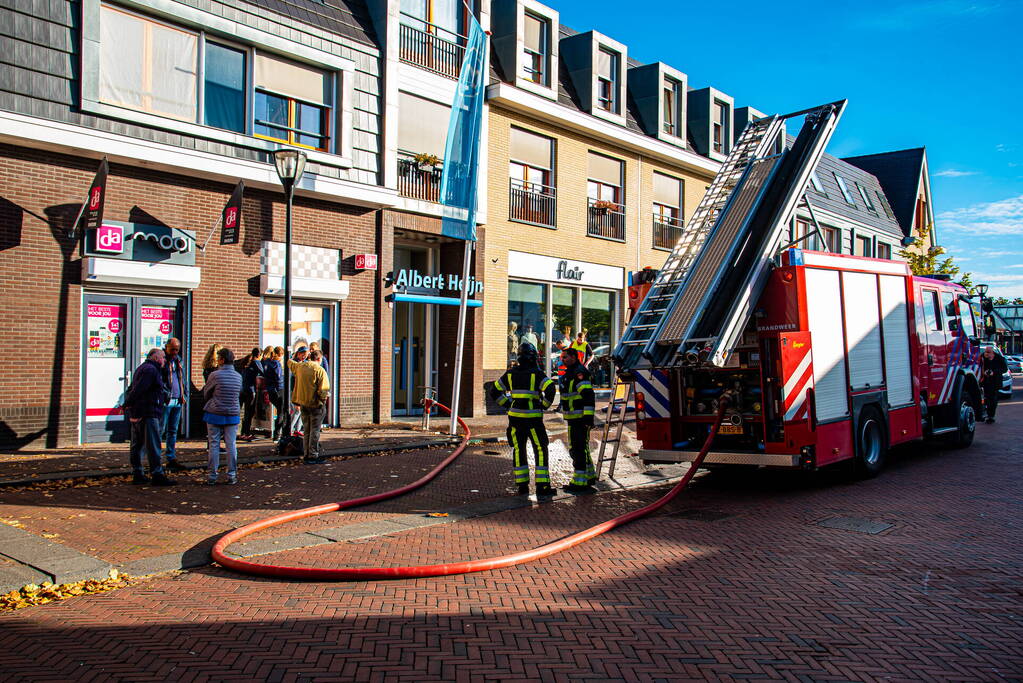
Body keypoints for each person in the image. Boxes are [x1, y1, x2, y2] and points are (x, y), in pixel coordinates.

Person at [489, 342, 558, 496]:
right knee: (540, 449)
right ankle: (542, 486)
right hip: (533, 419)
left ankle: (522, 486)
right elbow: (551, 388)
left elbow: (494, 391)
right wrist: (544, 405)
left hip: (515, 419)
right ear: (533, 357)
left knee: (519, 449)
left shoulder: (510, 373)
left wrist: (508, 404)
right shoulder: (537, 374)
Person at [123, 348, 175, 486]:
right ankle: (157, 474)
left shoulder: (142, 368)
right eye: (162, 357)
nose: (164, 360)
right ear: (156, 357)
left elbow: (134, 388)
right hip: (148, 412)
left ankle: (138, 473)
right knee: (152, 444)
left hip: (138, 412)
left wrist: (129, 405)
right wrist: (127, 403)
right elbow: (140, 389)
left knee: (137, 444)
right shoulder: (151, 370)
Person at [559, 348, 597, 493]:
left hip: (579, 419)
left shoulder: (579, 373)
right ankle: (589, 476)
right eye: (562, 357)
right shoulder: (570, 373)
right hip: (573, 418)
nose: (563, 359)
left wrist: (588, 418)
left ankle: (579, 482)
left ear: (574, 357)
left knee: (577, 450)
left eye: (566, 357)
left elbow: (587, 395)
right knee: (582, 449)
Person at [203, 347, 242, 484]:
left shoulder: (215, 375)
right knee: (231, 445)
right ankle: (232, 475)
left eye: (219, 358)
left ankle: (212, 475)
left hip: (215, 413)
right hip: (232, 413)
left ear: (222, 360)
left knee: (214, 444)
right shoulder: (238, 377)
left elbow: (206, 392)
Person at [288, 348, 330, 463]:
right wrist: (323, 402)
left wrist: (296, 355)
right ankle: (313, 454)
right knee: (315, 430)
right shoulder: (320, 370)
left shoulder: (300, 367)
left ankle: (306, 453)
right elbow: (323, 390)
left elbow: (290, 363)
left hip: (303, 404)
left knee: (306, 429)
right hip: (316, 404)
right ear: (319, 359)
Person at [160, 337, 188, 472]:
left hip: (178, 399)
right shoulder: (162, 360)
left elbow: (182, 378)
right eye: (172, 349)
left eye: (177, 349)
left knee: (173, 430)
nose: (175, 352)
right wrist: (164, 394)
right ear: (166, 347)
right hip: (166, 400)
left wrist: (185, 394)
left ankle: (171, 458)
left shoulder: (179, 360)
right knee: (160, 430)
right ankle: (156, 459)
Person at [239, 347, 264, 441]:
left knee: (245, 412)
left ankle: (242, 433)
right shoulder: (256, 362)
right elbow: (263, 373)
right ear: (259, 355)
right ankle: (247, 433)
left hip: (243, 390)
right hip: (250, 391)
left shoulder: (246, 362)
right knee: (249, 412)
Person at [981, 346, 1008, 423]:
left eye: (988, 352)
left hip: (995, 382)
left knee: (993, 399)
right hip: (985, 382)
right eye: (986, 352)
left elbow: (1004, 369)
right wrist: (984, 372)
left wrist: (995, 372)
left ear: (992, 352)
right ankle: (986, 414)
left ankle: (991, 415)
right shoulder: (982, 358)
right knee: (986, 398)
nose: (986, 354)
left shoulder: (999, 358)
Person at [263, 346, 285, 440]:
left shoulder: (267, 362)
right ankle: (278, 434)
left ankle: (278, 434)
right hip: (278, 390)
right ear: (281, 355)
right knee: (282, 411)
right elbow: (278, 377)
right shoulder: (277, 363)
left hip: (271, 390)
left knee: (281, 411)